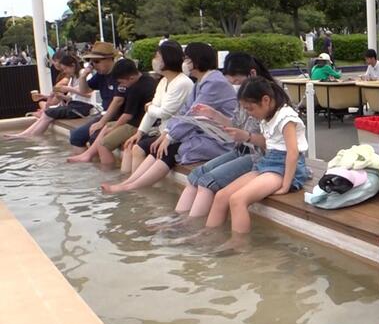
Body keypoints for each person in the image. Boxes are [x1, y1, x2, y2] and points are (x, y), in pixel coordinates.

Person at [101, 42, 237, 193]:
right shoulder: (201, 82)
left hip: (220, 141)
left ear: (197, 61)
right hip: (203, 135)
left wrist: (170, 137)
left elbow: (193, 115)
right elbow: (185, 112)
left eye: (187, 59)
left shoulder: (214, 83)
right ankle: (130, 183)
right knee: (160, 147)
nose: (184, 63)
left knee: (168, 150)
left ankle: (131, 187)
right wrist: (166, 134)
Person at [161, 53, 269, 224]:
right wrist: (213, 115)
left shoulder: (267, 99)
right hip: (241, 150)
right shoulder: (245, 94)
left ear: (252, 74)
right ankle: (177, 220)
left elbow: (273, 140)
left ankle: (190, 226)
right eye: (231, 82)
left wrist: (246, 136)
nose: (234, 86)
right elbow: (236, 124)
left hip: (258, 155)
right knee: (196, 175)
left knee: (207, 182)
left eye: (236, 82)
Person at [200, 77, 309, 238]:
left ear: (265, 100)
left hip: (283, 169)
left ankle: (239, 248)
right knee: (222, 195)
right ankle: (208, 237)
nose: (249, 114)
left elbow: (292, 153)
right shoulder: (268, 116)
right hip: (268, 163)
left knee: (238, 200)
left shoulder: (286, 117)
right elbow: (270, 143)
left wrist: (286, 185)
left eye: (250, 109)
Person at [119, 41, 192, 174]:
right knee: (130, 145)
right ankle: (125, 183)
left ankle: (137, 190)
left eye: (157, 57)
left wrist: (149, 108)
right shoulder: (164, 81)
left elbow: (164, 112)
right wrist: (139, 133)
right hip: (161, 131)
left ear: (167, 60)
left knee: (138, 148)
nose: (154, 60)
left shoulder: (182, 83)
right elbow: (154, 109)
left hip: (175, 135)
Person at [66, 59, 157, 166]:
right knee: (106, 126)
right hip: (139, 121)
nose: (121, 85)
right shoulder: (147, 79)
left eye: (122, 82)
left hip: (137, 124)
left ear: (131, 78)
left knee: (103, 145)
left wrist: (113, 129)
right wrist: (110, 127)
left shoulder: (135, 89)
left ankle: (108, 171)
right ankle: (88, 155)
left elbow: (127, 116)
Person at [4, 53, 93, 139]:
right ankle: (24, 134)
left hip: (82, 108)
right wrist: (61, 96)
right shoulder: (72, 78)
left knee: (48, 113)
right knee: (48, 112)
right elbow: (71, 98)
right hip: (74, 106)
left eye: (65, 68)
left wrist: (68, 89)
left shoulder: (83, 74)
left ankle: (29, 136)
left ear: (73, 65)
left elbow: (88, 94)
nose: (64, 71)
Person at [69, 42, 126, 155]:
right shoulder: (100, 75)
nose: (94, 65)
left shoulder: (120, 74)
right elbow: (84, 91)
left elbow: (118, 101)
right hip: (105, 115)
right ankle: (87, 169)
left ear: (110, 59)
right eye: (91, 62)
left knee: (94, 139)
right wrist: (83, 76)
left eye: (97, 61)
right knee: (76, 136)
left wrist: (102, 122)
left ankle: (106, 169)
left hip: (119, 116)